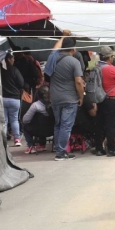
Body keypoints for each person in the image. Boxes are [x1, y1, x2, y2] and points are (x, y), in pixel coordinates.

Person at [44, 31, 85, 161]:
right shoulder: (74, 62)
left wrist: (63, 36)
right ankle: (61, 153)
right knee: (66, 126)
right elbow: (78, 82)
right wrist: (81, 97)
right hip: (69, 98)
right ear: (73, 49)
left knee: (58, 124)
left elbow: (55, 48)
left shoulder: (53, 59)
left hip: (55, 98)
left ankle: (59, 149)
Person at [94, 46, 115, 157]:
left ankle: (99, 149)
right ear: (110, 57)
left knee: (99, 125)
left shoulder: (97, 67)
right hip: (111, 100)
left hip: (100, 99)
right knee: (111, 125)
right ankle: (112, 149)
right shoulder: (111, 69)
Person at [1, 52, 26, 148]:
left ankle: (3, 141)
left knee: (4, 121)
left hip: (2, 98)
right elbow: (21, 83)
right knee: (14, 120)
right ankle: (17, 139)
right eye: (12, 58)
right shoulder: (15, 70)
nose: (14, 60)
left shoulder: (0, 70)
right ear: (8, 59)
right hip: (14, 99)